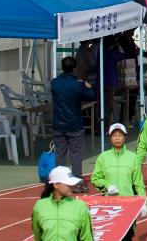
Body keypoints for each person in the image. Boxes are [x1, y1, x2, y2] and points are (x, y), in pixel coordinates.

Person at [49, 57, 95, 190]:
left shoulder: (55, 83)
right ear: (74, 69)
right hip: (74, 122)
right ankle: (76, 182)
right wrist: (89, 87)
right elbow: (90, 96)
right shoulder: (77, 84)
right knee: (76, 153)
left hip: (59, 122)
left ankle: (59, 181)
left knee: (60, 153)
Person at [33, 166, 93, 241]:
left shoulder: (80, 206)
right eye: (68, 184)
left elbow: (87, 237)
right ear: (56, 185)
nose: (72, 186)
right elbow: (37, 235)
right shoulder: (40, 206)